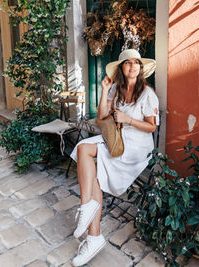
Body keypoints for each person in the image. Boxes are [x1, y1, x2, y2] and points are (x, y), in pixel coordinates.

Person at [69, 49, 159, 266]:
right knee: (86, 157)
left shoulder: (148, 94)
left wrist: (127, 119)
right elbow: (101, 116)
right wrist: (104, 90)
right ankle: (93, 235)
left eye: (136, 63)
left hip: (137, 147)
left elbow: (151, 127)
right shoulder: (116, 90)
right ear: (121, 68)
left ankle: (87, 213)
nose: (132, 66)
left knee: (86, 152)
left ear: (140, 68)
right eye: (127, 63)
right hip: (117, 141)